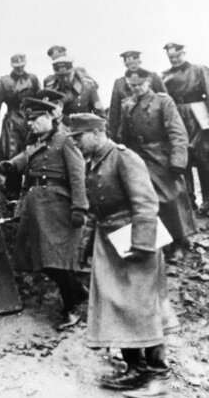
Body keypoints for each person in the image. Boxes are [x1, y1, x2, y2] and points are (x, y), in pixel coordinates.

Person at [69, 114, 179, 397]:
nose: (76, 143)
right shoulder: (94, 162)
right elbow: (95, 210)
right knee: (118, 307)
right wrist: (84, 249)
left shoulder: (124, 158)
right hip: (110, 243)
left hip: (135, 242)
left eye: (79, 137)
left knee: (143, 307)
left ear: (96, 132)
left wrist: (142, 245)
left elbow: (145, 203)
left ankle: (158, 376)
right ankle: (135, 369)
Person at [0, 98, 89, 330]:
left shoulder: (64, 141)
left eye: (36, 119)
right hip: (36, 206)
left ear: (49, 117)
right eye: (29, 120)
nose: (31, 124)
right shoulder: (36, 142)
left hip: (57, 206)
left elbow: (78, 176)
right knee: (39, 257)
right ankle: (78, 292)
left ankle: (71, 308)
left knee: (55, 259)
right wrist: (12, 167)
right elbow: (27, 167)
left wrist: (79, 207)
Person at [119, 68, 195, 262]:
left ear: (148, 82)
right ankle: (159, 242)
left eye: (140, 84)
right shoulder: (127, 105)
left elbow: (177, 132)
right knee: (144, 200)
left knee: (170, 199)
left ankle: (180, 241)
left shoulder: (163, 102)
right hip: (138, 157)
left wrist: (178, 160)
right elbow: (124, 136)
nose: (136, 88)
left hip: (161, 156)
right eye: (132, 85)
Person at [162, 42, 209, 213]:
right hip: (177, 116)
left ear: (184, 53)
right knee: (183, 157)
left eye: (177, 56)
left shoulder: (199, 70)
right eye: (171, 57)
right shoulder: (165, 75)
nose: (174, 60)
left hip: (198, 117)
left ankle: (208, 200)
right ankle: (189, 200)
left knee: (204, 158)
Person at [0, 54, 40, 198]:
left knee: (33, 152)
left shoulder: (33, 79)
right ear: (12, 66)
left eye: (22, 66)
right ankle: (12, 193)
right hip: (12, 123)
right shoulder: (4, 82)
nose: (19, 69)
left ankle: (31, 190)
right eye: (17, 67)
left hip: (30, 121)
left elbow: (40, 100)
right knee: (12, 155)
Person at [109, 51, 167, 142]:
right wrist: (113, 136)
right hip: (129, 130)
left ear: (140, 62)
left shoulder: (153, 77)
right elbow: (114, 112)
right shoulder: (119, 83)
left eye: (135, 63)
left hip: (152, 129)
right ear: (125, 64)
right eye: (129, 64)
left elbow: (165, 104)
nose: (132, 67)